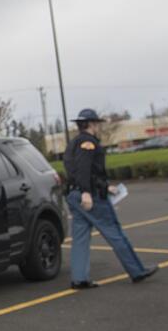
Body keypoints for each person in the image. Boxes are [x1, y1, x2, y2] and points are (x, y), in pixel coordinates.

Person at [63, 108, 158, 288]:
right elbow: (84, 168)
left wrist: (105, 186)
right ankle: (137, 270)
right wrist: (87, 192)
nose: (98, 127)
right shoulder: (88, 143)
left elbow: (75, 170)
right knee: (115, 233)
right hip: (89, 196)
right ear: (91, 124)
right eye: (97, 123)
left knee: (80, 238)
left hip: (75, 195)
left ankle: (79, 278)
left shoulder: (73, 143)